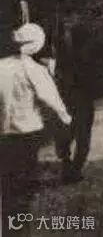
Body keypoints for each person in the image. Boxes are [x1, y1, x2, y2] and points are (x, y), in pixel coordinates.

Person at [0, 23, 72, 220]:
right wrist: (65, 118)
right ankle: (18, 223)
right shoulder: (35, 69)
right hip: (27, 133)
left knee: (6, 179)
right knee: (24, 180)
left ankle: (7, 219)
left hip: (3, 133)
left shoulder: (1, 66)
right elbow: (51, 99)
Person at [55, 22, 102, 183]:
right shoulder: (90, 58)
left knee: (66, 133)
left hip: (67, 99)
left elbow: (59, 77)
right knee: (83, 137)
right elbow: (96, 81)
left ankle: (66, 163)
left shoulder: (64, 56)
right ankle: (75, 169)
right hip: (84, 101)